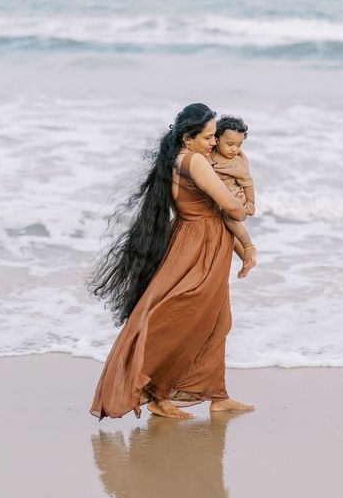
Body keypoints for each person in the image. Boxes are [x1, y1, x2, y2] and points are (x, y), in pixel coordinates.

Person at [88, 103, 257, 420]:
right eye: (208, 137)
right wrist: (244, 200)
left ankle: (217, 395)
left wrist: (243, 246)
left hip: (202, 241)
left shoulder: (179, 158)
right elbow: (231, 211)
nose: (213, 143)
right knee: (178, 316)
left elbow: (218, 214)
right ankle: (155, 393)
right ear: (188, 137)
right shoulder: (194, 161)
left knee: (218, 322)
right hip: (200, 247)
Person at [208, 115, 256, 278]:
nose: (234, 149)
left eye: (239, 145)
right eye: (230, 144)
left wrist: (250, 201)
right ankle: (246, 259)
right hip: (215, 197)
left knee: (229, 220)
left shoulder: (237, 162)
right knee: (228, 232)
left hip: (231, 198)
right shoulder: (209, 152)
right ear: (216, 139)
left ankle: (249, 247)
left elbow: (248, 182)